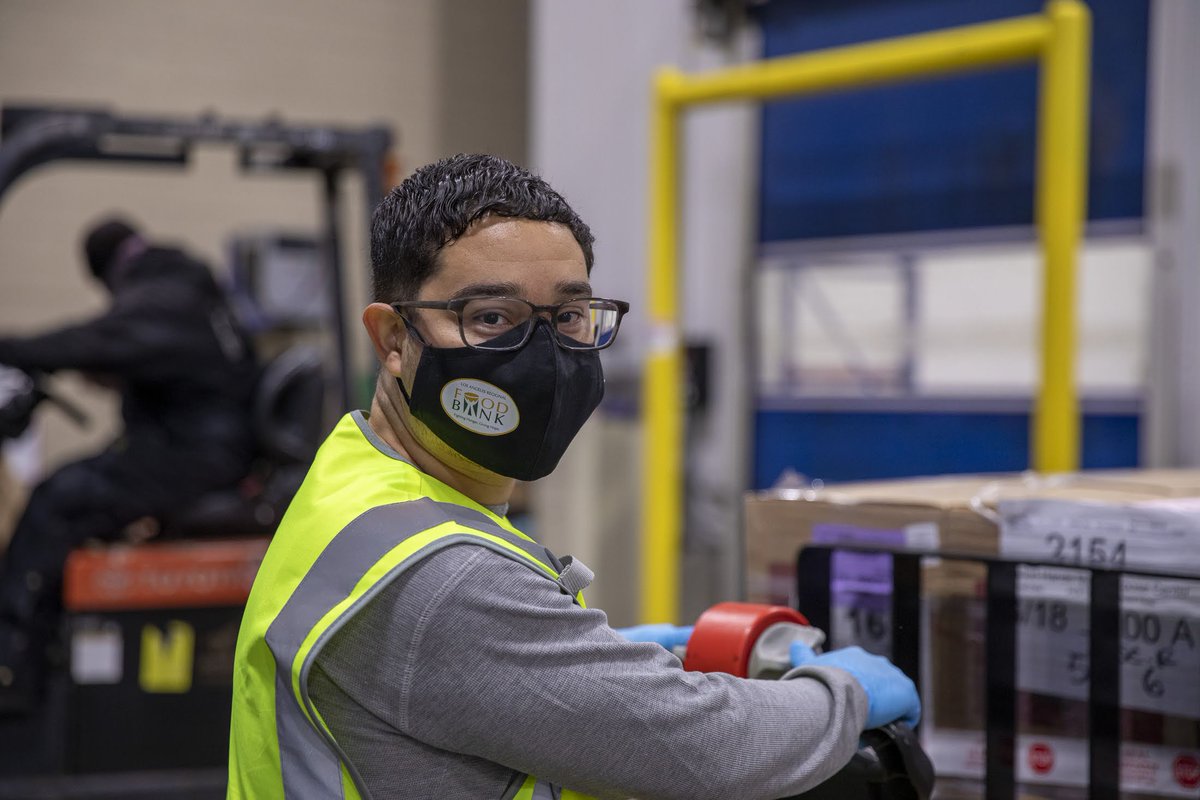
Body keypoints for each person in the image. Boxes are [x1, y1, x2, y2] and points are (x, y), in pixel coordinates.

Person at [228, 154, 921, 800]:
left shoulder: (354, 477)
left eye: (567, 316)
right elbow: (710, 752)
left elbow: (440, 676)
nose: (541, 355)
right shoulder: (443, 582)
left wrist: (590, 660)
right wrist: (842, 691)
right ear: (393, 342)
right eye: (490, 317)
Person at [0, 218, 258, 709]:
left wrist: (12, 348)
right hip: (202, 448)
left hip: (198, 458)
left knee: (58, 499)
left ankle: (14, 675)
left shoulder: (163, 295)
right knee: (76, 484)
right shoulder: (185, 286)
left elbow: (97, 340)